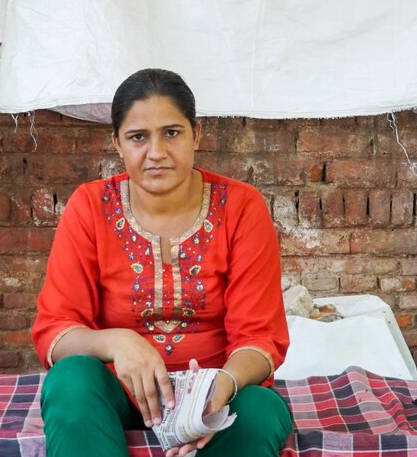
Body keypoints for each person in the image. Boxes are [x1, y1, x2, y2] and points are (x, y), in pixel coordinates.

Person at [32, 68, 292, 457]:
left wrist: (219, 389)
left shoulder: (241, 208)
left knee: (262, 409)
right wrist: (118, 341)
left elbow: (259, 338)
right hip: (116, 393)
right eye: (138, 137)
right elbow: (55, 331)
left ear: (196, 135)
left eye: (171, 133)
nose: (156, 152)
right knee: (69, 380)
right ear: (117, 144)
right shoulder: (89, 207)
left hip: (213, 396)